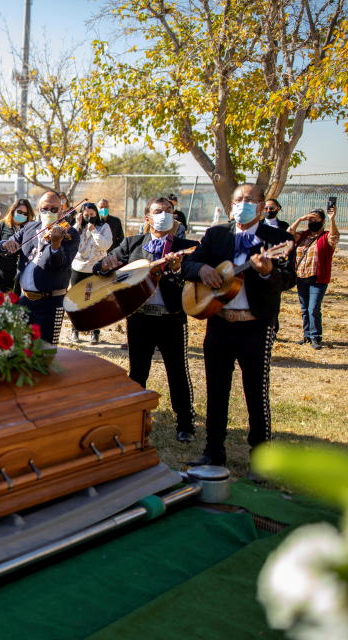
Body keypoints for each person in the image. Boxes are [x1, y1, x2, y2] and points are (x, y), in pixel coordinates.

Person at [181, 183, 296, 468]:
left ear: (260, 206)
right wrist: (202, 269)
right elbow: (188, 264)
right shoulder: (216, 234)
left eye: (249, 200)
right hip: (220, 324)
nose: (242, 204)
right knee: (216, 391)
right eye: (238, 199)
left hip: (256, 327)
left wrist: (269, 273)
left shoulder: (277, 239)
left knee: (256, 392)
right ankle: (213, 452)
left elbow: (289, 280)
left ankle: (260, 456)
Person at [94, 197, 200, 442]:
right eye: (158, 211)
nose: (163, 215)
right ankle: (134, 419)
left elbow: (193, 278)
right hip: (140, 319)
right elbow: (102, 268)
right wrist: (104, 265)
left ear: (174, 217)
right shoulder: (132, 244)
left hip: (171, 319)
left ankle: (185, 423)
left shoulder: (187, 247)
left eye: (169, 211)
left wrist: (176, 269)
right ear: (147, 218)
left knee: (178, 372)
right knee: (138, 372)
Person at [0, 190, 80, 346]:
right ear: (38, 209)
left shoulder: (70, 233)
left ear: (61, 210)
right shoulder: (29, 227)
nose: (48, 212)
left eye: (53, 209)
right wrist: (5, 244)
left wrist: (55, 245)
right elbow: (2, 245)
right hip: (24, 300)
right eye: (44, 209)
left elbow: (61, 264)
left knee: (45, 350)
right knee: (19, 348)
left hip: (50, 302)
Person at [289, 205, 339, 349]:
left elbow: (334, 237)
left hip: (318, 279)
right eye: (310, 219)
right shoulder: (303, 235)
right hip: (301, 278)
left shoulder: (326, 236)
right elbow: (288, 234)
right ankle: (306, 336)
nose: (312, 222)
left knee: (313, 309)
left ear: (322, 221)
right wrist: (299, 219)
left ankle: (315, 336)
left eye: (315, 219)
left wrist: (332, 219)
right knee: (304, 309)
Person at [69, 202, 114, 343]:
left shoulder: (104, 227)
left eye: (92, 214)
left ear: (97, 214)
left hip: (96, 268)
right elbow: (70, 241)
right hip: (78, 268)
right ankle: (75, 330)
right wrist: (77, 224)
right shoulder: (77, 228)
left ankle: (95, 332)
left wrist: (94, 230)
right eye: (86, 215)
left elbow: (106, 245)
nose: (89, 217)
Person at [0, 199, 32, 294]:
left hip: (24, 270)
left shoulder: (30, 228)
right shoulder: (1, 225)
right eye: (19, 212)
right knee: (7, 298)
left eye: (25, 214)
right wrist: (3, 246)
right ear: (13, 210)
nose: (22, 215)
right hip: (4, 270)